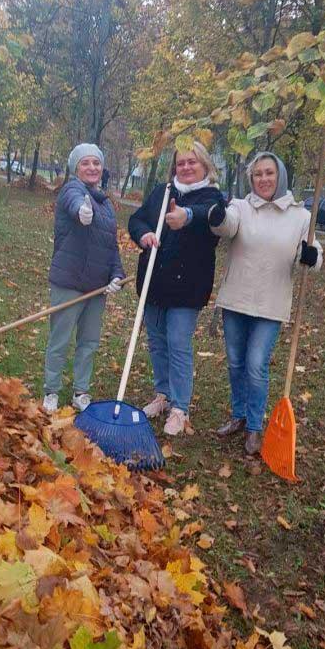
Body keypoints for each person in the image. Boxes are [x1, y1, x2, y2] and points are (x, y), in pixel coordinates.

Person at [209, 151, 322, 455]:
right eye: (257, 174)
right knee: (235, 363)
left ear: (280, 175)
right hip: (236, 298)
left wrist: (311, 256)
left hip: (271, 304)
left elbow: (313, 253)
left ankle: (255, 427)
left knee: (256, 365)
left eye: (269, 173)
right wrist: (218, 216)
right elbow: (226, 226)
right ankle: (239, 414)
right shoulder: (241, 207)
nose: (263, 179)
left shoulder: (300, 216)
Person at [128, 142, 222, 436]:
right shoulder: (162, 192)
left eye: (192, 162)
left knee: (178, 344)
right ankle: (163, 395)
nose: (186, 167)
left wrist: (187, 216)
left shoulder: (213, 198)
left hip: (187, 288)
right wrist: (142, 233)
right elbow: (137, 218)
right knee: (157, 341)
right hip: (154, 284)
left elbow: (209, 216)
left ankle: (180, 407)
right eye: (181, 163)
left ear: (205, 165)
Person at [43, 143, 125, 413]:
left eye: (96, 163)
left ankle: (81, 391)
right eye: (85, 163)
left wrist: (116, 275)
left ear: (102, 168)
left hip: (96, 288)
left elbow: (111, 246)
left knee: (88, 343)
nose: (92, 168)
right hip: (69, 282)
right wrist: (81, 211)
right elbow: (72, 201)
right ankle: (51, 391)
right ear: (76, 168)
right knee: (60, 340)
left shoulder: (106, 205)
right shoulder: (72, 190)